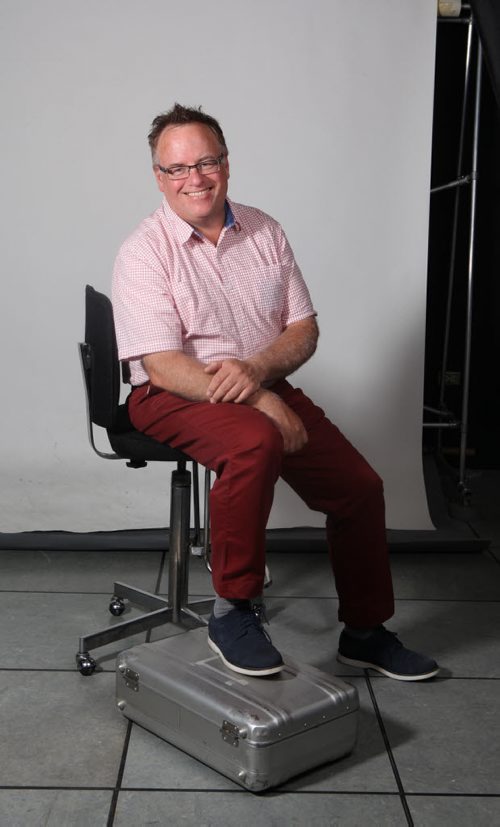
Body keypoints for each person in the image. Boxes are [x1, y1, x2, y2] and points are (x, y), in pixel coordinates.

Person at [112, 103, 439, 682]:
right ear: (158, 177)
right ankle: (233, 610)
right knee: (255, 439)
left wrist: (260, 376)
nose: (195, 178)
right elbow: (162, 366)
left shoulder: (265, 231)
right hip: (171, 392)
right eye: (177, 168)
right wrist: (260, 398)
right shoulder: (143, 251)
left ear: (227, 164)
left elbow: (303, 328)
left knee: (360, 490)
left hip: (261, 380)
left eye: (206, 161)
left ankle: (364, 633)